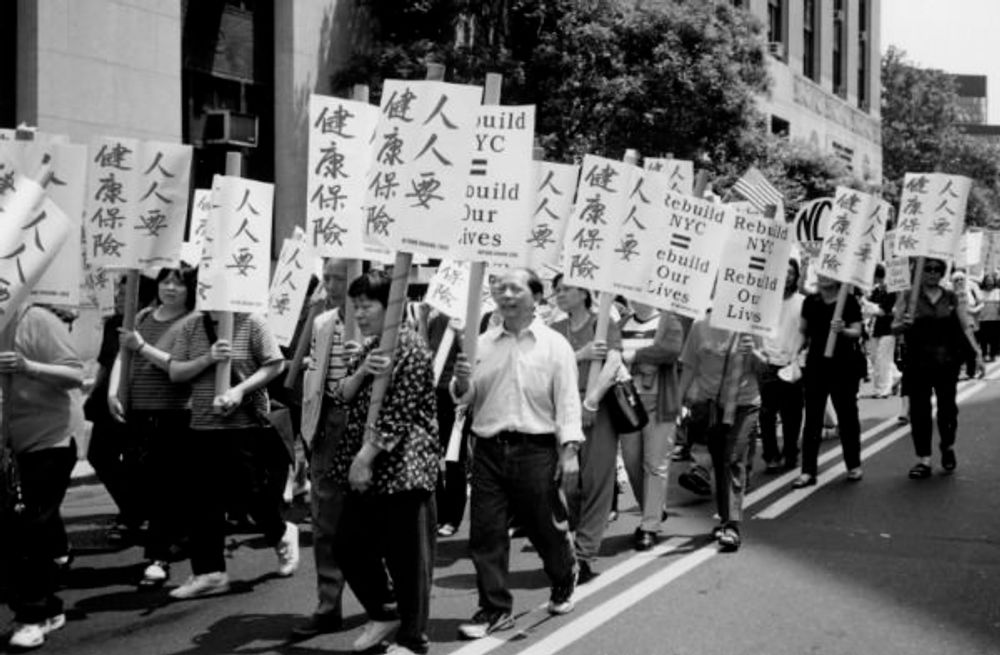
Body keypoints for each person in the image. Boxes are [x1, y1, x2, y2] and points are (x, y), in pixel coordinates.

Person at [452, 268, 581, 639]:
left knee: (546, 528)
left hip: (536, 450)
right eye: (499, 287)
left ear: (537, 296)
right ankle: (494, 609)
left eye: (515, 288)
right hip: (489, 450)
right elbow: (465, 396)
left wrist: (569, 452)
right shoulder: (483, 343)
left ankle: (563, 575)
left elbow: (568, 402)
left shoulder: (555, 345)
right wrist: (461, 381)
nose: (505, 294)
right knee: (486, 533)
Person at [329, 270, 439, 655]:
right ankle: (384, 611)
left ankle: (413, 638)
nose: (359, 313)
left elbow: (398, 414)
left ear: (390, 306)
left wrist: (364, 459)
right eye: (355, 306)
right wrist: (363, 369)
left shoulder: (410, 347)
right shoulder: (371, 347)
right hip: (366, 468)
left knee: (408, 559)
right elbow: (341, 393)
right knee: (346, 544)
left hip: (403, 469)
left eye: (367, 305)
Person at [167, 310, 296, 599]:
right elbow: (175, 372)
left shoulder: (252, 321)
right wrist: (207, 359)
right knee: (202, 500)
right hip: (201, 423)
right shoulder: (191, 325)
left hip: (245, 424)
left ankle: (282, 533)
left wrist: (239, 390)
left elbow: (274, 365)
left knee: (250, 495)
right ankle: (209, 572)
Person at [1, 304, 85, 650]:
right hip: (8, 443)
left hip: (48, 436)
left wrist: (27, 366)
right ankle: (48, 600)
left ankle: (31, 616)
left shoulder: (33, 318)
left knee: (29, 524)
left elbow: (75, 375)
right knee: (20, 525)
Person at [109, 265, 197, 588]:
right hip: (138, 411)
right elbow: (123, 355)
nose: (171, 288)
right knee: (143, 481)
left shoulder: (193, 321)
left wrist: (141, 346)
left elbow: (177, 365)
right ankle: (177, 537)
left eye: (179, 282)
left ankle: (157, 557)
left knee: (164, 486)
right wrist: (112, 392)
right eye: (165, 281)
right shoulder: (143, 315)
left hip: (174, 412)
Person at [290, 258, 356, 639]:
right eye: (327, 277)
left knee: (374, 520)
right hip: (328, 425)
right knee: (325, 519)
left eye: (339, 278)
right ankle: (328, 604)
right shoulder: (322, 323)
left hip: (366, 426)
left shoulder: (382, 324)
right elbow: (313, 380)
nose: (331, 285)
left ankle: (391, 598)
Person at [549, 274, 622, 583]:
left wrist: (591, 401)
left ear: (583, 293)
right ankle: (565, 544)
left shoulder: (603, 323)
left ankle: (585, 553)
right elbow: (548, 368)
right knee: (566, 482)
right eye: (557, 290)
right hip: (562, 411)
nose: (560, 294)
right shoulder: (553, 330)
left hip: (598, 408)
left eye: (566, 289)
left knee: (597, 480)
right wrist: (579, 355)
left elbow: (614, 362)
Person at [677, 313, 761, 552]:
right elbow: (690, 365)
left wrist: (753, 352)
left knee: (733, 458)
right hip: (710, 406)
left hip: (745, 404)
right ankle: (725, 520)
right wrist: (677, 403)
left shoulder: (752, 325)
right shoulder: (700, 326)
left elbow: (765, 367)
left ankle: (732, 525)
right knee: (720, 461)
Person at [894, 258, 982, 479]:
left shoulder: (951, 297)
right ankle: (923, 459)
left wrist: (977, 353)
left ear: (942, 273)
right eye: (928, 269)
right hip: (917, 363)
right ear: (920, 272)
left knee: (948, 410)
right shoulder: (908, 296)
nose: (933, 273)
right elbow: (894, 326)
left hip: (947, 362)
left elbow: (965, 325)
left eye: (937, 270)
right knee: (920, 411)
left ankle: (947, 445)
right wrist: (902, 324)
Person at [618, 302, 684, 550]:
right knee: (632, 462)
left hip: (660, 403)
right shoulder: (621, 323)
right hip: (626, 403)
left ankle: (649, 524)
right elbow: (613, 354)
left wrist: (635, 356)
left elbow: (671, 350)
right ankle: (653, 508)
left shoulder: (670, 321)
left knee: (655, 464)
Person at [793, 275, 865, 488]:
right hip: (816, 365)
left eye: (830, 273)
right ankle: (808, 471)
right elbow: (803, 332)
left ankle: (853, 465)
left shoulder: (848, 301)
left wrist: (843, 329)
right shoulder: (810, 302)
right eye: (821, 273)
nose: (824, 278)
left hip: (844, 365)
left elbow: (857, 331)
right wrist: (793, 354)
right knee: (813, 418)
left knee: (847, 416)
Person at [757, 259, 805, 473]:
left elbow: (807, 333)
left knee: (792, 414)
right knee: (766, 414)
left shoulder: (802, 302)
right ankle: (770, 455)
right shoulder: (764, 301)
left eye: (791, 273)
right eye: (783, 272)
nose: (787, 276)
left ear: (796, 276)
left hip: (792, 365)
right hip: (768, 363)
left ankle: (791, 451)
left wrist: (800, 357)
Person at [425, 309, 466, 538]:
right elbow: (425, 351)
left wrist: (460, 333)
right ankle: (439, 512)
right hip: (433, 394)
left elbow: (473, 355)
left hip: (457, 397)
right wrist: (422, 320)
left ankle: (453, 516)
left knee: (454, 459)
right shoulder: (434, 319)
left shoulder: (467, 316)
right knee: (431, 456)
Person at [867, 265, 900, 398]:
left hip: (888, 328)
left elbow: (882, 311)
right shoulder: (876, 290)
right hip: (876, 328)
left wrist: (868, 305)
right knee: (875, 357)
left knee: (883, 359)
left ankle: (884, 389)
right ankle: (897, 376)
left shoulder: (891, 290)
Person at [976, 273, 999, 362]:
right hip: (983, 319)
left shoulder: (998, 291)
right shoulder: (980, 292)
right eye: (987, 280)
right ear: (984, 281)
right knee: (983, 339)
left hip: (996, 319)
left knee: (994, 338)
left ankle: (992, 354)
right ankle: (985, 354)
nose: (989, 282)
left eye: (991, 280)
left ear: (994, 281)